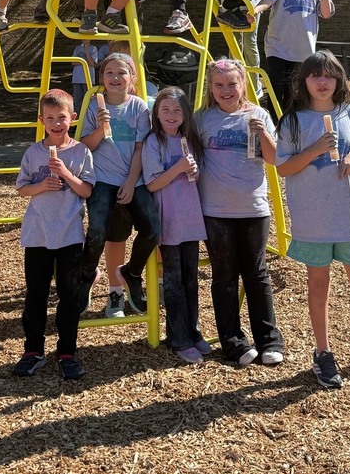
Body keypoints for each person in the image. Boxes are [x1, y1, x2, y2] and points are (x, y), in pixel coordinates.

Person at [275, 51, 350, 388]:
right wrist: (314, 149)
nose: (323, 82)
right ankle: (323, 353)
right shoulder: (293, 121)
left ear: (339, 80)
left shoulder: (349, 113)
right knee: (318, 286)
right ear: (304, 82)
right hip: (313, 221)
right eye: (316, 76)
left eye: (329, 75)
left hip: (349, 217)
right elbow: (283, 167)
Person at [195, 58, 284, 366]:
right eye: (218, 85)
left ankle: (269, 341)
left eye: (232, 84)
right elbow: (189, 157)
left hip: (253, 208)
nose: (226, 90)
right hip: (215, 210)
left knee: (257, 274)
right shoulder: (202, 119)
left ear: (243, 84)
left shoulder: (259, 114)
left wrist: (263, 133)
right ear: (210, 88)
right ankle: (233, 341)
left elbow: (274, 159)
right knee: (224, 275)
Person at [13, 89, 95, 380]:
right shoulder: (33, 153)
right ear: (41, 121)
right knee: (35, 294)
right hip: (37, 234)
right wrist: (41, 186)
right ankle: (33, 350)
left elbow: (86, 190)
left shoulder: (80, 152)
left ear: (72, 118)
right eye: (50, 119)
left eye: (62, 118)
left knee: (69, 296)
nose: (56, 124)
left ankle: (67, 352)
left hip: (70, 235)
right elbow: (22, 188)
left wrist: (66, 174)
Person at [78, 52, 160, 315]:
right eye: (109, 72)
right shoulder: (94, 106)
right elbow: (84, 147)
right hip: (103, 180)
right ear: (102, 77)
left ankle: (132, 274)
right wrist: (101, 129)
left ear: (132, 77)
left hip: (133, 180)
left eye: (122, 72)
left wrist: (131, 181)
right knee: (98, 232)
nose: (115, 77)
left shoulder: (139, 107)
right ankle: (88, 275)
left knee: (152, 230)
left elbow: (140, 149)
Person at [142, 86, 209, 363]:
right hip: (168, 220)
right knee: (173, 282)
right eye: (165, 110)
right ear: (156, 113)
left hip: (190, 219)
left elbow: (196, 178)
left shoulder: (188, 141)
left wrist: (193, 171)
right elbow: (152, 182)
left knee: (190, 279)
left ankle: (190, 331)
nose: (171, 115)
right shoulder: (153, 143)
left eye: (177, 110)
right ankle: (179, 339)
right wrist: (178, 168)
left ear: (185, 115)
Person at [250, 0, 334, 111]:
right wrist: (256, 10)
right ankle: (274, 127)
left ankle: (290, 130)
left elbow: (326, 13)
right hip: (278, 47)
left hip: (303, 50)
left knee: (295, 94)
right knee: (275, 90)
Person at [71, 41, 109, 118]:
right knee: (78, 101)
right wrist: (85, 62)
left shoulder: (93, 48)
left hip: (88, 78)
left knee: (90, 100)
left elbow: (92, 63)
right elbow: (73, 62)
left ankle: (90, 118)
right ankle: (77, 121)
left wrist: (86, 51)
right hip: (77, 79)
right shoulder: (77, 48)